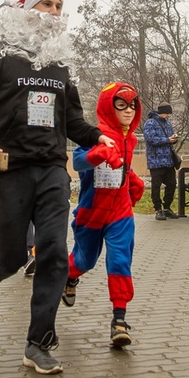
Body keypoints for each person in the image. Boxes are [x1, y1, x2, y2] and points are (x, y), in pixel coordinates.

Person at [0, 0, 109, 376]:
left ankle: (38, 342)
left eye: (60, 5)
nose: (54, 11)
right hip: (8, 170)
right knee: (11, 255)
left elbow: (71, 119)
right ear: (27, 10)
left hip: (51, 170)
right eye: (47, 3)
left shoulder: (60, 66)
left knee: (53, 252)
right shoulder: (2, 57)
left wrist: (97, 136)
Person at [65, 82, 146, 349]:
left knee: (120, 260)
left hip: (120, 213)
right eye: (120, 105)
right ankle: (69, 276)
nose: (128, 111)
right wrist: (98, 152)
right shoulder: (96, 133)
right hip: (92, 212)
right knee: (84, 260)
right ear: (108, 107)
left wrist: (133, 180)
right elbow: (77, 162)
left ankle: (119, 321)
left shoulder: (131, 139)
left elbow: (123, 168)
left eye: (132, 105)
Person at [142, 103, 179, 220]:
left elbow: (169, 140)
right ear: (162, 112)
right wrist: (167, 140)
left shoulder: (168, 124)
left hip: (168, 161)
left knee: (172, 184)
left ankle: (167, 207)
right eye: (167, 113)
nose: (168, 116)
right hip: (155, 161)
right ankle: (158, 209)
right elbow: (151, 139)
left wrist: (174, 139)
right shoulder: (150, 123)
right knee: (156, 185)